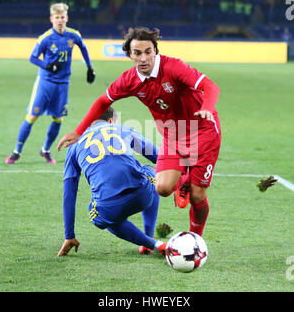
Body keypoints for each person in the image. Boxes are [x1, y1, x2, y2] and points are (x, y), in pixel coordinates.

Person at [57, 27, 221, 237]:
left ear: (155, 51)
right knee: (161, 189)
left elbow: (210, 85)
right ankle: (185, 179)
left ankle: (195, 238)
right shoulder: (129, 80)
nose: (143, 58)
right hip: (173, 136)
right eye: (137, 53)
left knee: (198, 196)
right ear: (130, 55)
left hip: (203, 133)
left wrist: (207, 107)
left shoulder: (174, 67)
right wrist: (78, 131)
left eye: (148, 51)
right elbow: (102, 101)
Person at [57, 107, 166, 256]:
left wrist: (69, 235)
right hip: (143, 193)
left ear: (89, 123)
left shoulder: (75, 144)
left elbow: (69, 193)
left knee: (96, 214)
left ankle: (152, 244)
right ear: (111, 121)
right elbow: (159, 157)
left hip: (110, 206)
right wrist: (179, 180)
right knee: (150, 170)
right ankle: (149, 234)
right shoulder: (123, 129)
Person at [5, 3, 96, 165]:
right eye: (57, 18)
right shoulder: (45, 38)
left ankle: (45, 150)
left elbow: (83, 48)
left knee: (58, 118)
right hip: (45, 83)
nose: (60, 20)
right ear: (51, 19)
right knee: (32, 116)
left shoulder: (73, 35)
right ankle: (16, 152)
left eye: (62, 17)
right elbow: (33, 58)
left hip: (63, 84)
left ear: (66, 18)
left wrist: (89, 67)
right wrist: (47, 66)